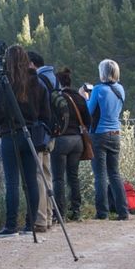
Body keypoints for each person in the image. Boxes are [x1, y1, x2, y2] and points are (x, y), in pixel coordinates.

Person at [0, 46, 50, 237]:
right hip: (31, 135)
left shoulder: (5, 83)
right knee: (31, 181)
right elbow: (45, 114)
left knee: (12, 182)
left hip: (10, 135)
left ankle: (10, 226)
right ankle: (30, 224)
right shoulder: (38, 84)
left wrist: (3, 126)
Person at [83, 59, 129, 221]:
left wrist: (85, 97)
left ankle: (102, 212)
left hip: (99, 135)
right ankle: (123, 210)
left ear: (103, 72)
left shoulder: (98, 90)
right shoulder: (121, 89)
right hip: (115, 133)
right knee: (115, 173)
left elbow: (89, 110)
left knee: (100, 175)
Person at [50, 67, 91, 221]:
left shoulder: (57, 98)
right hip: (78, 141)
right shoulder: (79, 98)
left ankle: (59, 213)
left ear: (58, 82)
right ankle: (76, 211)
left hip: (61, 141)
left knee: (58, 178)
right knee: (73, 177)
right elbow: (88, 121)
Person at [28, 51, 56, 231]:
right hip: (51, 132)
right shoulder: (53, 77)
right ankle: (50, 216)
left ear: (31, 64)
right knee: (47, 174)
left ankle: (40, 219)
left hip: (39, 133)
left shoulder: (38, 80)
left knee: (38, 175)